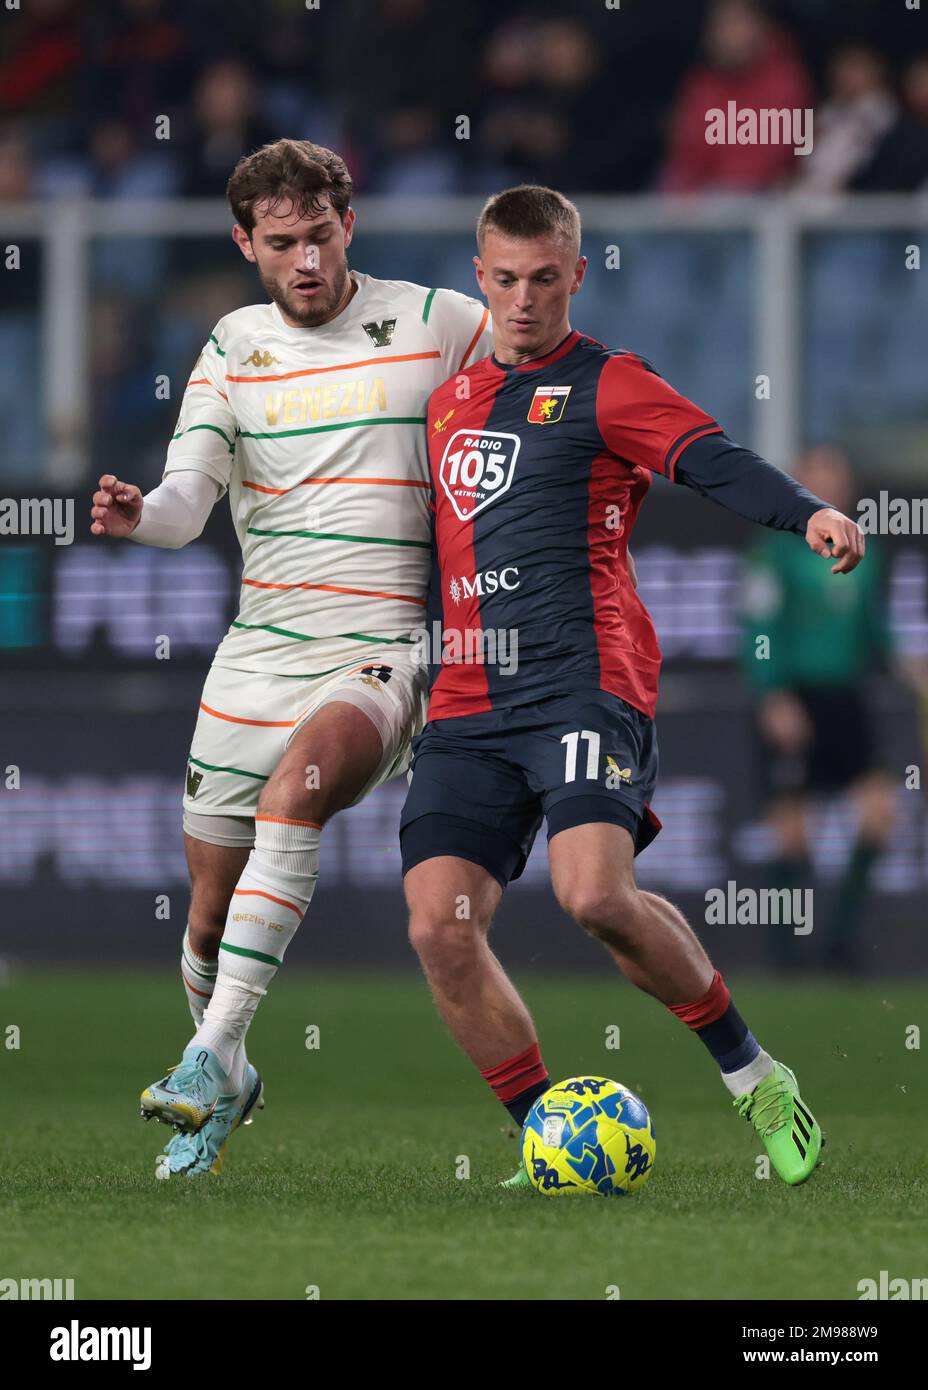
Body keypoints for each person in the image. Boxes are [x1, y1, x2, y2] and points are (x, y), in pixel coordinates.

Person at [399, 185, 864, 1188]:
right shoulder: (445, 404)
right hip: (470, 698)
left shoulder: (608, 383)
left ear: (575, 273)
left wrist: (804, 513)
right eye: (505, 280)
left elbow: (711, 458)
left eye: (544, 279)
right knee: (439, 924)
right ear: (480, 280)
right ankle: (544, 1134)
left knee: (595, 895)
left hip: (583, 681)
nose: (524, 300)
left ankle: (754, 1075)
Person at [89, 138, 492, 1178]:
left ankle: (207, 1051)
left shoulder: (434, 321)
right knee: (209, 914)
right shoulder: (230, 345)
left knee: (294, 794)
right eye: (282, 243)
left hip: (384, 647)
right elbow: (187, 503)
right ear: (245, 243)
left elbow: (544, 371)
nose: (305, 260)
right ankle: (235, 1079)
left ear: (348, 225)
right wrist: (141, 515)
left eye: (320, 235)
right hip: (258, 653)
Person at [741, 445, 896, 973]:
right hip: (795, 695)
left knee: (878, 817)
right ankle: (784, 958)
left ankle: (840, 943)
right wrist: (773, 695)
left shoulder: (863, 550)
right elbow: (758, 627)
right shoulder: (775, 550)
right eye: (818, 471)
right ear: (800, 481)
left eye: (837, 470)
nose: (830, 480)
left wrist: (906, 661)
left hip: (846, 698)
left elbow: (874, 624)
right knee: (792, 832)